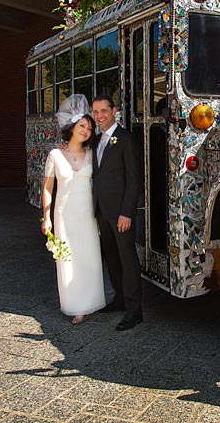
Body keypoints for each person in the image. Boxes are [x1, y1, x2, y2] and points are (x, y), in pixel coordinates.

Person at [41, 94, 106, 325]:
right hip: (63, 214)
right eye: (82, 126)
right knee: (68, 259)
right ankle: (76, 306)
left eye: (89, 127)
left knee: (88, 256)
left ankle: (92, 301)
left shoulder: (92, 153)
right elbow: (48, 188)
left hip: (87, 214)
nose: (86, 130)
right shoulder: (55, 155)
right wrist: (46, 217)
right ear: (71, 127)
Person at [91, 95, 143, 331]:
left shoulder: (126, 139)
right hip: (101, 209)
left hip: (121, 212)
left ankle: (135, 311)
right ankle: (119, 298)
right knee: (110, 256)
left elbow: (134, 181)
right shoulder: (96, 141)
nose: (99, 116)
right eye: (95, 112)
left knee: (127, 258)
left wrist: (127, 213)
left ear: (114, 111)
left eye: (103, 110)